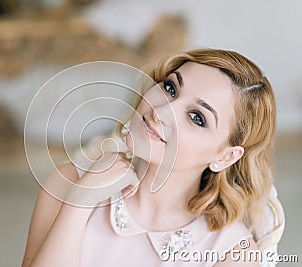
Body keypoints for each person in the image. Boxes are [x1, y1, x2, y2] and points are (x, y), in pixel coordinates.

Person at [22, 48, 284, 266]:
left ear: (225, 157)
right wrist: (77, 204)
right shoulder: (66, 184)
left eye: (197, 118)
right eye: (170, 88)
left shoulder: (233, 253)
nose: (162, 111)